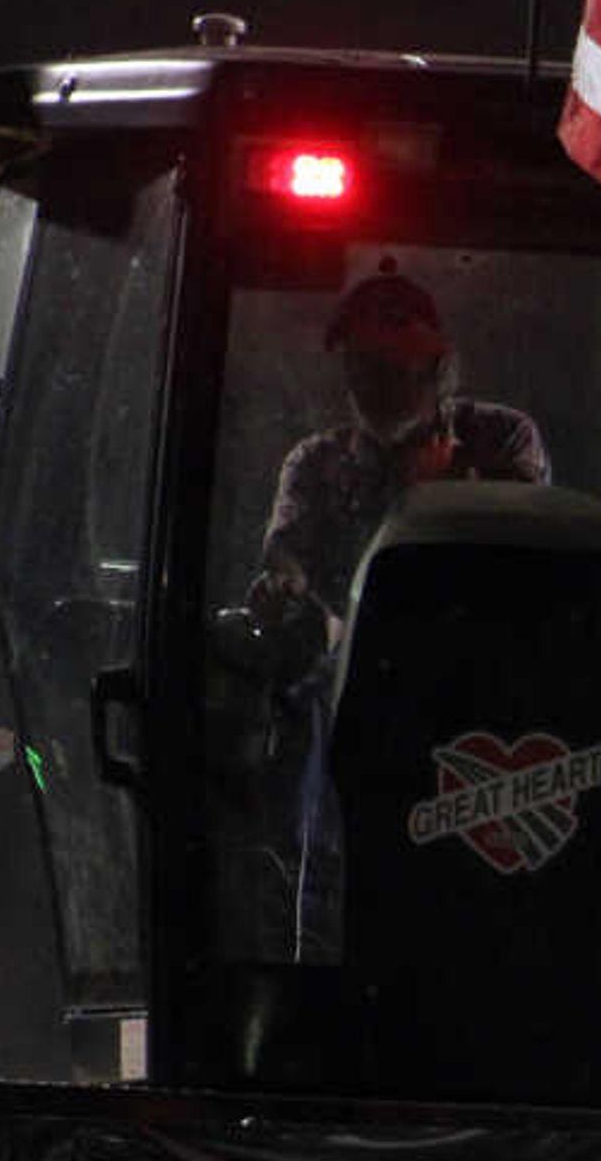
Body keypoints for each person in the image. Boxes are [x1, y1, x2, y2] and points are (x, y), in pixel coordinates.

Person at [208, 260, 550, 955]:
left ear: (439, 367)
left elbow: (521, 564)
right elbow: (292, 562)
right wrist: (285, 593)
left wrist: (425, 492)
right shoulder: (317, 463)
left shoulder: (500, 440)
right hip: (354, 701)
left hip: (487, 712)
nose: (377, 381)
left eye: (398, 364)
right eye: (364, 363)